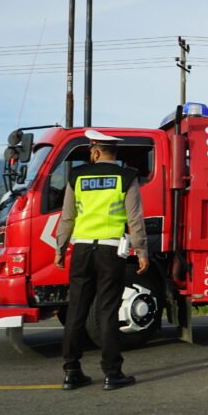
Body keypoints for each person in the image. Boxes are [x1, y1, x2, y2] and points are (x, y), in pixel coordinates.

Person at [54, 130, 149, 391]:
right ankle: (112, 373)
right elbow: (135, 220)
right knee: (107, 311)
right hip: (110, 250)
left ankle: (71, 372)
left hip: (82, 250)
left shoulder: (77, 176)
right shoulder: (127, 177)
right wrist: (141, 251)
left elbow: (67, 217)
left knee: (76, 310)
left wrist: (60, 248)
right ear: (113, 152)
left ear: (95, 151)